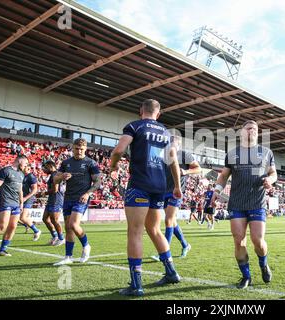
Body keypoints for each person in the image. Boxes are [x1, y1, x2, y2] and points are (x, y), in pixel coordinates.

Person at [109, 99, 182, 297]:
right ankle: (171, 272)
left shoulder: (134, 126)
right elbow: (173, 161)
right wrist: (177, 186)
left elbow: (118, 150)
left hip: (140, 185)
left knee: (135, 232)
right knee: (154, 229)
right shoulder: (165, 132)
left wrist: (113, 165)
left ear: (141, 110)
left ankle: (136, 285)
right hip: (159, 187)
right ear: (158, 114)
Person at [211, 120, 276, 289]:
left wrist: (270, 179)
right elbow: (224, 175)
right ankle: (246, 276)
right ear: (241, 132)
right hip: (237, 203)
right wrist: (217, 190)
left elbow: (273, 173)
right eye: (248, 128)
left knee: (258, 240)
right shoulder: (232, 154)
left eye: (254, 129)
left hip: (257, 202)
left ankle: (263, 264)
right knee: (239, 241)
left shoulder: (266, 152)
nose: (252, 131)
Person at [53, 138, 101, 266]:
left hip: (81, 198)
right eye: (77, 148)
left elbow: (97, 182)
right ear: (72, 148)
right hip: (68, 197)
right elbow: (55, 180)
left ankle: (86, 246)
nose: (79, 151)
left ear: (85, 149)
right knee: (68, 228)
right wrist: (61, 177)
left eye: (82, 149)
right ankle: (68, 256)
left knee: (74, 225)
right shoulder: (66, 162)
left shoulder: (91, 163)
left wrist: (87, 193)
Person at [152, 135, 201, 260]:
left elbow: (198, 168)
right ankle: (185, 245)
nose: (171, 147)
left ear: (178, 145)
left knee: (168, 220)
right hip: (164, 191)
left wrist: (186, 172)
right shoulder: (163, 156)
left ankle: (164, 253)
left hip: (177, 191)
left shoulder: (185, 155)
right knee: (172, 222)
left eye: (173, 144)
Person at [0, 155, 28, 256]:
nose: (26, 166)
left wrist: (21, 203)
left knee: (12, 227)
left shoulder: (21, 174)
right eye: (25, 164)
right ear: (20, 161)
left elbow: (20, 190)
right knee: (2, 226)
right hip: (5, 202)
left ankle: (2, 250)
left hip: (16, 204)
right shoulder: (5, 171)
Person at [42, 160, 65, 246]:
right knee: (45, 219)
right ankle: (55, 237)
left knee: (54, 220)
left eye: (46, 167)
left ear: (51, 166)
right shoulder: (53, 175)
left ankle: (61, 238)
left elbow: (55, 190)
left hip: (56, 199)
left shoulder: (55, 175)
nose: (44, 170)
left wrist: (44, 193)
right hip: (52, 199)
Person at [20, 166, 42, 241]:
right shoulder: (22, 176)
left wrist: (26, 198)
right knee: (17, 217)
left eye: (25, 167)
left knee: (22, 217)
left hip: (28, 199)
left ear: (29, 168)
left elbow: (35, 190)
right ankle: (28, 224)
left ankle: (36, 230)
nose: (22, 168)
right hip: (22, 198)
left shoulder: (31, 176)